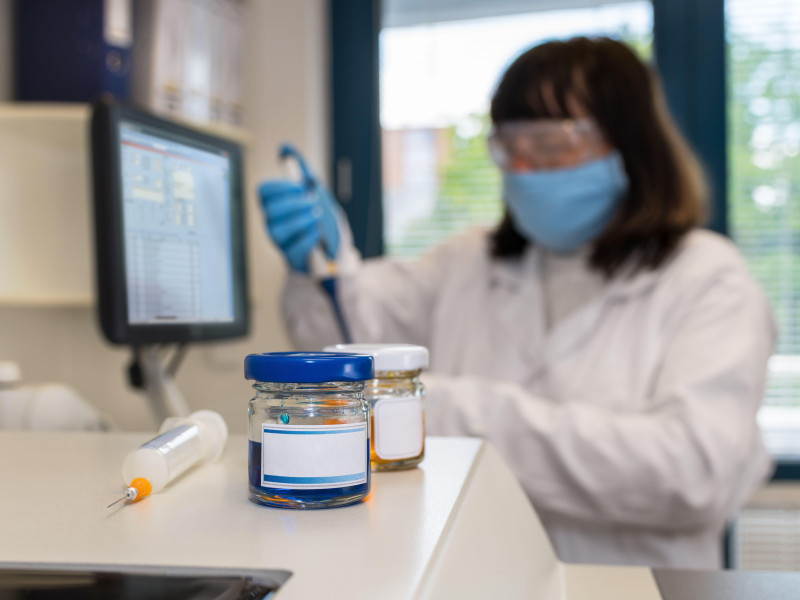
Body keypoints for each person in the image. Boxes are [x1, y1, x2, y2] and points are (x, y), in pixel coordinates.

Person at [258, 37, 775, 569]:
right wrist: (321, 264)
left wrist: (448, 412)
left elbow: (692, 473)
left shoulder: (707, 278)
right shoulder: (467, 261)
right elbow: (351, 341)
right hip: (478, 578)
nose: (524, 168)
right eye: (510, 145)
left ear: (630, 145)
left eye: (552, 144)